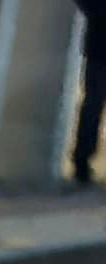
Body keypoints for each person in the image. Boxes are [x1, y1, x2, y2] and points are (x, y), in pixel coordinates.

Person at [75, 0, 105, 187]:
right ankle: (82, 162)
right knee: (93, 104)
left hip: (99, 44)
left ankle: (82, 162)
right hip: (101, 45)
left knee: (92, 104)